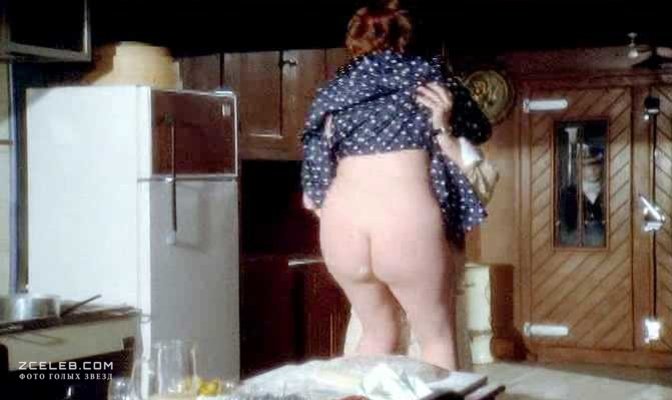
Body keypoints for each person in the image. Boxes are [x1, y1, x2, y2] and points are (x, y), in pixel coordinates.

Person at [300, 0, 492, 370]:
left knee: (377, 335)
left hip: (342, 226)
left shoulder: (331, 92)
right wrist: (443, 121)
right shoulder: (431, 77)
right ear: (408, 38)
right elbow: (480, 129)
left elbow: (315, 185)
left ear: (354, 42)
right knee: (435, 339)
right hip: (403, 221)